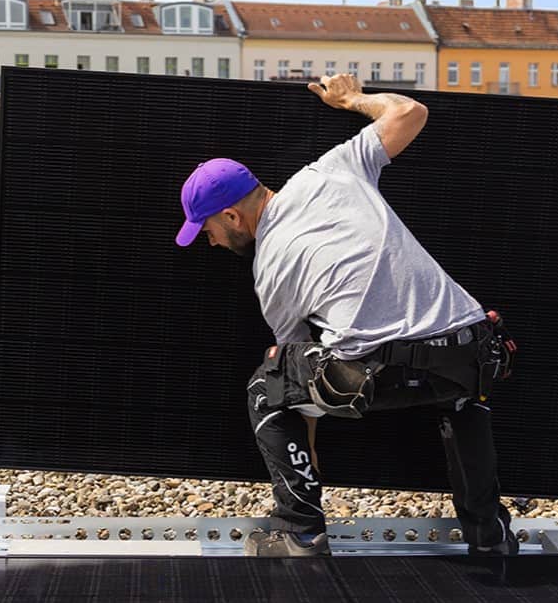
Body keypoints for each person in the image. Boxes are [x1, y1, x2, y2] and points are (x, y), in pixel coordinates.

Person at [175, 73, 517, 559]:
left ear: (232, 217)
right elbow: (409, 113)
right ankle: (490, 537)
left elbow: (292, 364)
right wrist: (353, 99)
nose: (208, 241)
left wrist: (307, 452)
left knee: (264, 388)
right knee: (464, 398)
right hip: (472, 348)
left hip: (385, 370)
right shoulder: (330, 170)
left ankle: (299, 530)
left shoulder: (270, 268)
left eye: (206, 229)